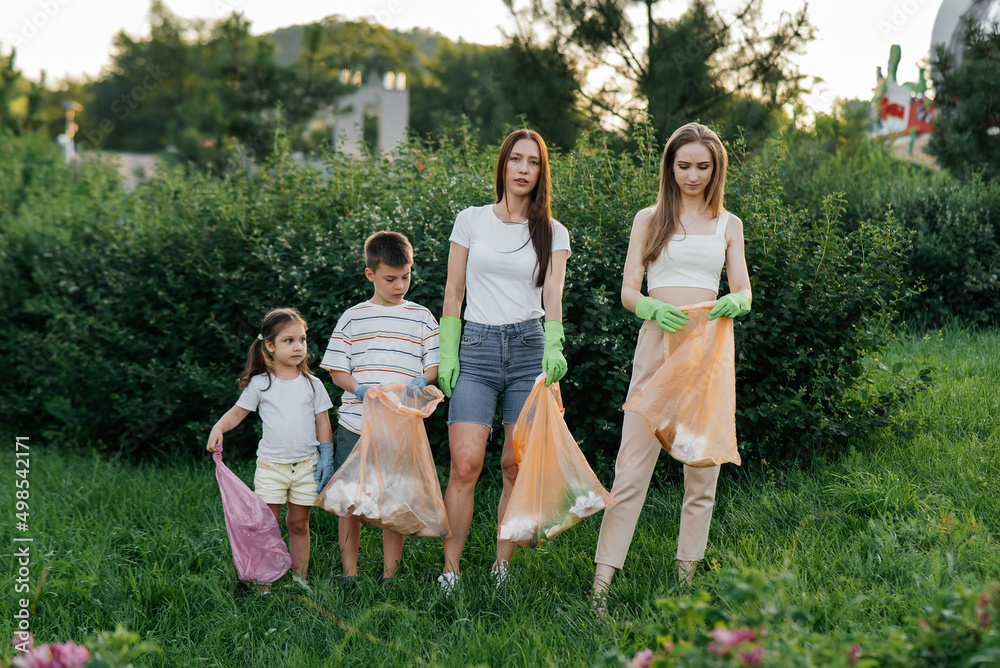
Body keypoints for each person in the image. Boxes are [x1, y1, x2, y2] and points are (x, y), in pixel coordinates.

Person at [592, 122, 752, 610]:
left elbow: (744, 289)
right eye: (684, 166)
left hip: (707, 349)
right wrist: (650, 308)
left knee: (701, 473)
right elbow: (628, 290)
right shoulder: (649, 218)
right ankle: (600, 590)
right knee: (630, 468)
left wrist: (736, 302)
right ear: (669, 166)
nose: (693, 175)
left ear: (716, 168)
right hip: (657, 345)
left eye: (703, 166)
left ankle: (685, 587)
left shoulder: (728, 224)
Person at [436, 128, 571, 592]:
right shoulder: (470, 220)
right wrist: (447, 351)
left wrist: (554, 344)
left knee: (513, 465)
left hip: (529, 349)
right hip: (475, 349)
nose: (523, 169)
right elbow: (454, 291)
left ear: (541, 172)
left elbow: (553, 294)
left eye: (533, 162)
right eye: (516, 159)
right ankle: (449, 571)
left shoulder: (553, 232)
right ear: (503, 165)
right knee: (464, 464)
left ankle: (501, 567)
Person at [320, 230, 440, 583]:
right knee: (350, 500)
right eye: (390, 279)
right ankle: (349, 574)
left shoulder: (422, 317)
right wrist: (359, 389)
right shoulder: (354, 317)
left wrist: (422, 380)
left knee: (395, 499)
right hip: (356, 423)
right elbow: (337, 370)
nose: (399, 285)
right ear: (370, 274)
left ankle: (390, 576)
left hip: (399, 426)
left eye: (405, 276)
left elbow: (433, 365)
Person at [207, 307, 334, 580]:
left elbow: (323, 423)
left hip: (306, 467)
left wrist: (327, 454)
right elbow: (237, 413)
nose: (298, 346)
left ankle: (299, 578)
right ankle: (264, 579)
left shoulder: (313, 384)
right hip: (271, 468)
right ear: (270, 346)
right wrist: (218, 427)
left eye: (302, 339)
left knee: (298, 523)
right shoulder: (261, 384)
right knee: (266, 525)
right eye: (289, 341)